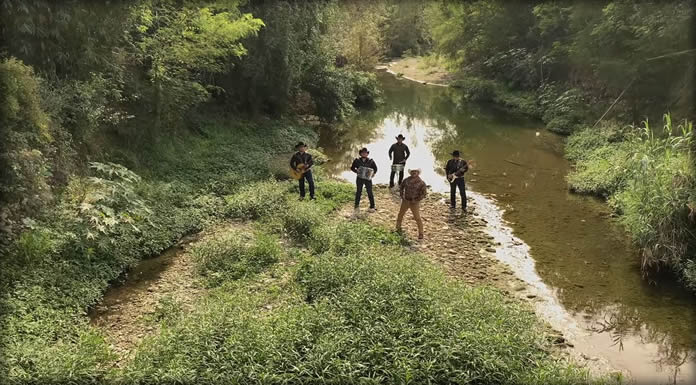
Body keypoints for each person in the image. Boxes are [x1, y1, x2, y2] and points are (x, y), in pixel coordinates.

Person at [396, 168, 427, 239]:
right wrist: (402, 196)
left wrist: (417, 200)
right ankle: (397, 228)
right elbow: (401, 187)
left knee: (417, 218)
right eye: (412, 172)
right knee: (400, 214)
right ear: (410, 173)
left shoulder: (421, 182)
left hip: (415, 203)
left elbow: (424, 194)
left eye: (415, 172)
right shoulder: (406, 180)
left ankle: (421, 233)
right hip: (406, 201)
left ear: (418, 173)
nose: (414, 173)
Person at [351, 147, 378, 211]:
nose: (364, 154)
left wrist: (373, 174)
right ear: (360, 154)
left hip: (368, 179)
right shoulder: (357, 160)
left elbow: (375, 168)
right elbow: (352, 168)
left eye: (365, 153)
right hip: (359, 178)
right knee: (358, 191)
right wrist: (356, 171)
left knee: (370, 192)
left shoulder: (371, 161)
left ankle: (372, 205)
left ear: (367, 154)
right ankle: (356, 205)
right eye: (363, 153)